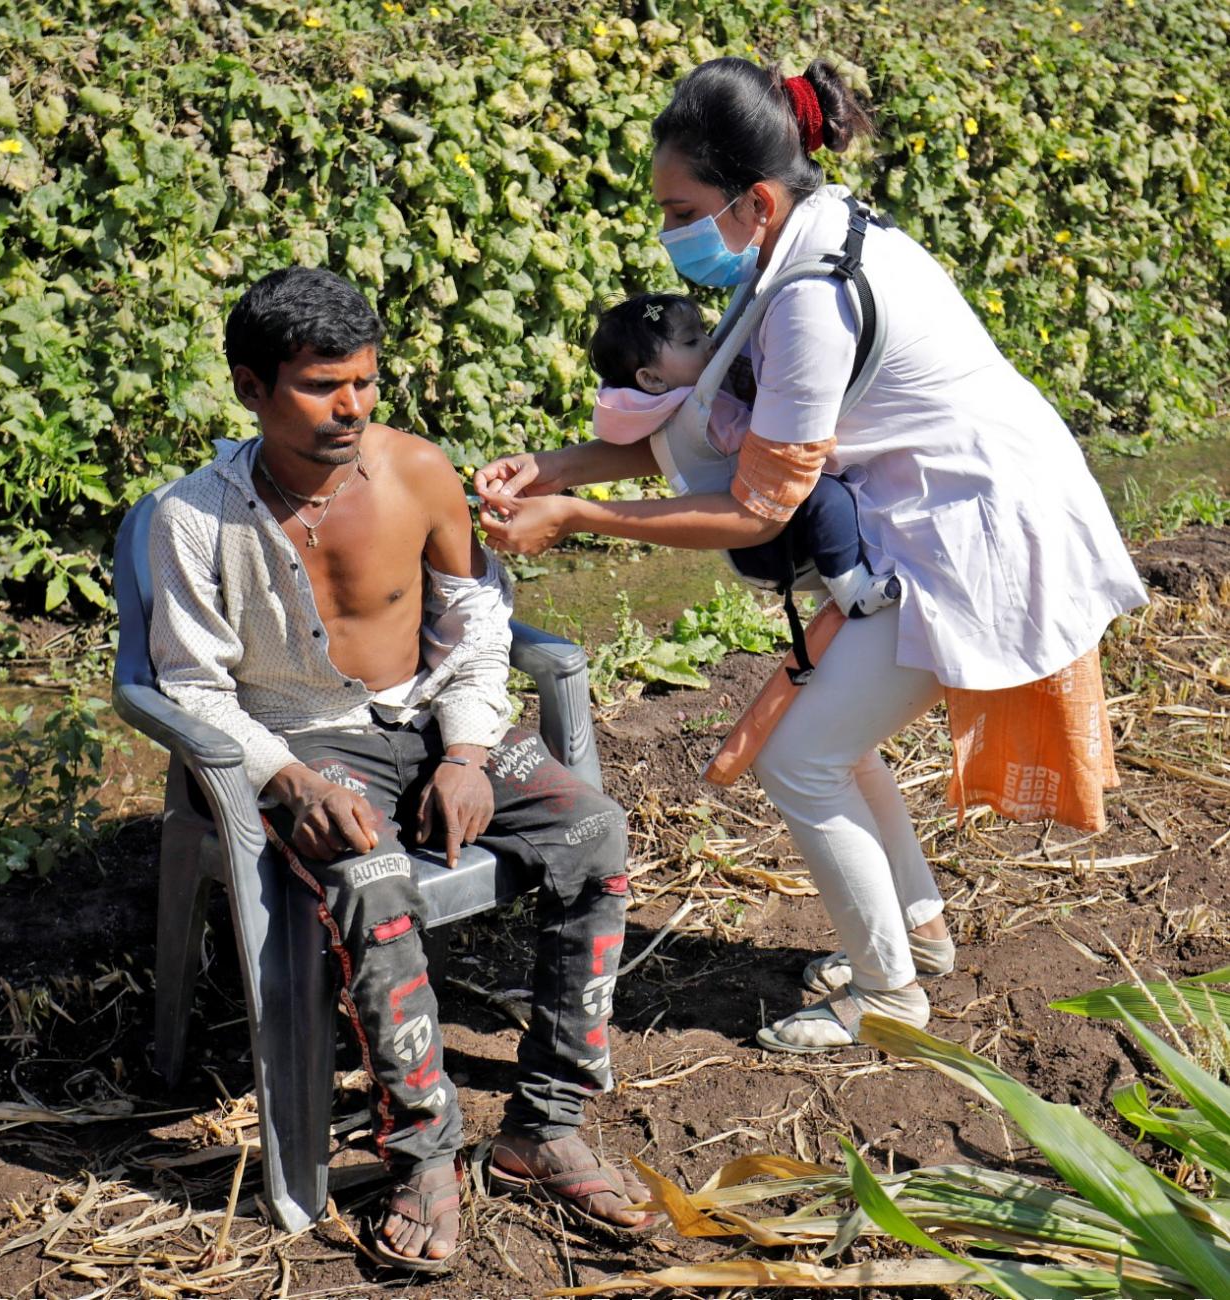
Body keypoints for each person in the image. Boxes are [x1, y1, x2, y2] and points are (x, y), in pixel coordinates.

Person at [475, 58, 1147, 1055]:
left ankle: (886, 998)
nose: (667, 234)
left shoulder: (809, 296)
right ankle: (914, 934)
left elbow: (753, 505)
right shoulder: (796, 241)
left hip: (979, 538)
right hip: (929, 520)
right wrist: (557, 467)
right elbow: (709, 422)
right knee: (834, 739)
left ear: (749, 198)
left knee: (801, 760)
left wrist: (576, 517)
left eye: (678, 209)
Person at [148, 267, 650, 1271]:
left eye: (366, 383)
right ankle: (423, 1152)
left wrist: (468, 750)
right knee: (371, 882)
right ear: (251, 387)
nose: (351, 407)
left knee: (593, 828)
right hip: (309, 746)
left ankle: (542, 1126)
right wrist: (287, 779)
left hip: (432, 720)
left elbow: (475, 626)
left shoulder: (417, 472)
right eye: (320, 386)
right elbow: (189, 688)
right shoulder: (193, 518)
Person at [589, 290, 900, 620]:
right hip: (762, 542)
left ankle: (838, 584)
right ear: (651, 379)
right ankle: (853, 591)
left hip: (751, 543)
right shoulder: (701, 417)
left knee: (825, 497)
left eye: (704, 332)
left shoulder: (666, 410)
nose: (710, 344)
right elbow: (771, 442)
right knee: (827, 498)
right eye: (691, 342)